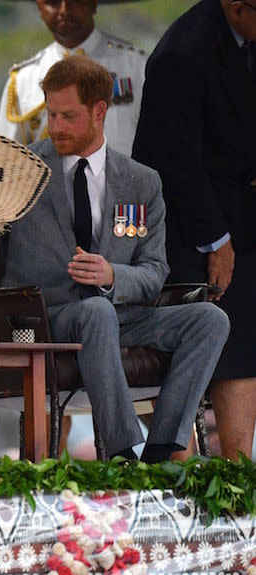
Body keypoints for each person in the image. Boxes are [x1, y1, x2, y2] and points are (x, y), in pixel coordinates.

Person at [0, 55, 229, 462]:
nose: (56, 126)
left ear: (100, 111)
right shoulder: (18, 170)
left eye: (68, 116)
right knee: (96, 312)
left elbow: (154, 272)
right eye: (51, 114)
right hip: (46, 318)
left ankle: (163, 447)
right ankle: (121, 453)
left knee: (210, 319)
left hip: (123, 315)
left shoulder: (141, 182)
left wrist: (114, 274)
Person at [132, 0, 256, 460]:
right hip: (187, 232)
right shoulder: (181, 53)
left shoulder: (248, 38)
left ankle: (240, 470)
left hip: (242, 223)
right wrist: (216, 239)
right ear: (237, 6)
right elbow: (171, 162)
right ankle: (177, 476)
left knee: (243, 345)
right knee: (186, 354)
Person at [0, 0, 146, 156]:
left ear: (93, 3)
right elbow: (6, 161)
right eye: (52, 2)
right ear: (39, 7)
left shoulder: (137, 66)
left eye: (74, 0)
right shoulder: (23, 80)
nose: (64, 9)